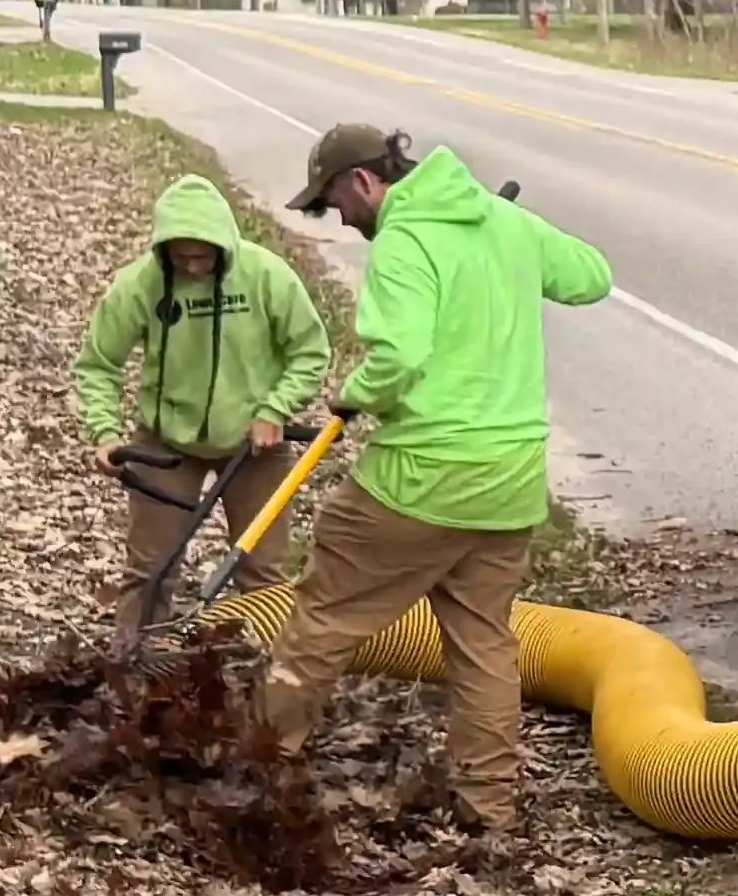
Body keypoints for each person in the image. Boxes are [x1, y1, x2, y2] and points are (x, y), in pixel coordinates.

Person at [253, 123, 613, 836]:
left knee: (322, 618)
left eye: (333, 203)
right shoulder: (502, 220)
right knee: (483, 643)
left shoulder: (406, 241)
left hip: (419, 479)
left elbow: (400, 358)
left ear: (363, 181)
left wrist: (356, 392)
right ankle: (489, 808)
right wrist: (511, 241)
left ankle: (257, 774)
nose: (343, 220)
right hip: (508, 481)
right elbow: (591, 276)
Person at [71, 173, 332, 619]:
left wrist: (276, 408)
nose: (192, 267)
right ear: (163, 249)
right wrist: (105, 433)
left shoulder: (266, 276)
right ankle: (138, 668)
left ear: (223, 244)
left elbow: (311, 352)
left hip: (257, 446)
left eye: (202, 257)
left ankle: (257, 675)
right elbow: (98, 365)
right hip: (166, 445)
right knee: (148, 572)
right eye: (181, 257)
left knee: (262, 575)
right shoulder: (139, 285)